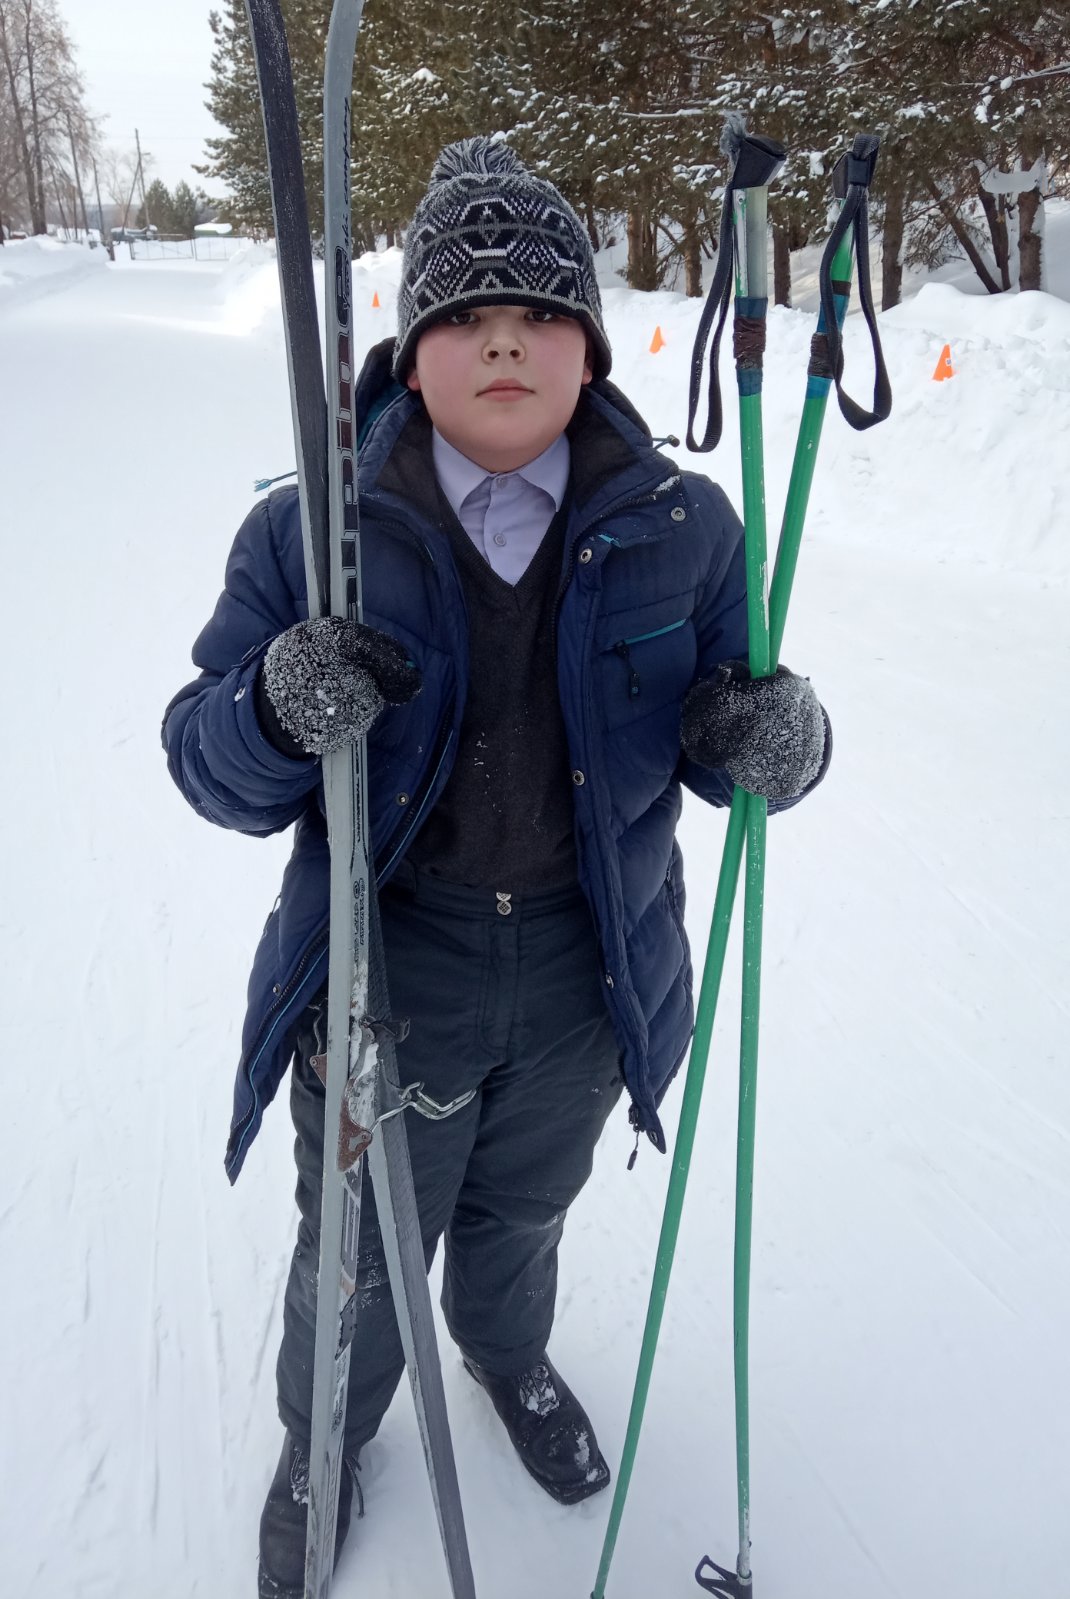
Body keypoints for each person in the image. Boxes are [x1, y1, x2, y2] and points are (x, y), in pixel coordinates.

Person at [162, 137, 831, 1599]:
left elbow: (733, 741)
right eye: (464, 314)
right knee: (358, 1240)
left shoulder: (685, 529)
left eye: (540, 311)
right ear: (412, 355)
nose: (504, 337)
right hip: (395, 966)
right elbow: (207, 761)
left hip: (598, 968)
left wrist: (778, 736)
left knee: (524, 1204)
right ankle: (326, 1433)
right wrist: (278, 704)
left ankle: (506, 1349)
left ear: (590, 351)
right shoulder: (314, 535)